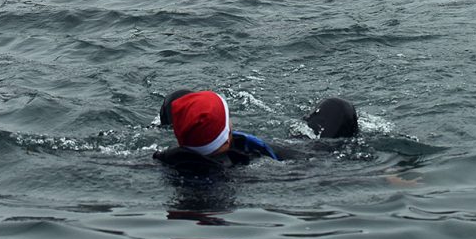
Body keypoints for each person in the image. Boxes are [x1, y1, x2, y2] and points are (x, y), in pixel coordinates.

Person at [153, 89, 358, 174]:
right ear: (228, 132)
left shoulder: (162, 160)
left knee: (178, 97)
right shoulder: (251, 163)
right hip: (295, 156)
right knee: (338, 108)